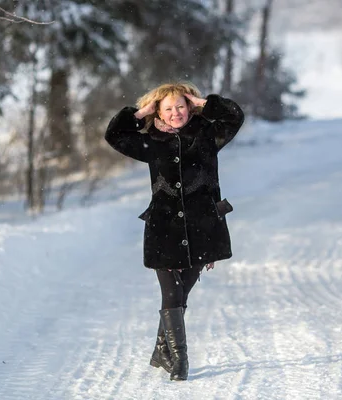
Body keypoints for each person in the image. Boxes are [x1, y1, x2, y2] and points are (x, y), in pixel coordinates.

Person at [105, 82, 244, 381]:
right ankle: (180, 361)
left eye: (180, 106)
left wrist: (205, 103)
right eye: (168, 108)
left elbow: (235, 118)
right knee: (172, 291)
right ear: (159, 111)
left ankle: (161, 349)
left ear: (189, 106)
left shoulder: (207, 135)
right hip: (164, 228)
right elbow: (114, 135)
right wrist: (141, 113)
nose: (175, 113)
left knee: (183, 291)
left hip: (203, 226)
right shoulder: (151, 142)